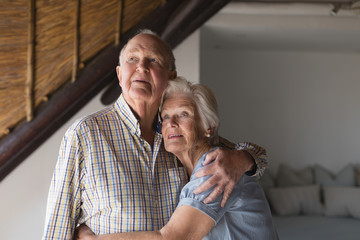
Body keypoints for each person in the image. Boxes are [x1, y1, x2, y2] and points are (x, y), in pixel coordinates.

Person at [42, 29, 268, 240]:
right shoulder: (85, 134)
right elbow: (57, 228)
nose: (141, 66)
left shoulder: (179, 140)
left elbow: (253, 155)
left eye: (153, 59)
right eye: (132, 59)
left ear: (170, 76)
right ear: (120, 75)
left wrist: (244, 158)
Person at [75, 77, 278, 240]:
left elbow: (172, 238)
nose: (171, 123)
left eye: (183, 114)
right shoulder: (189, 170)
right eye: (165, 117)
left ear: (208, 127)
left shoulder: (217, 168)